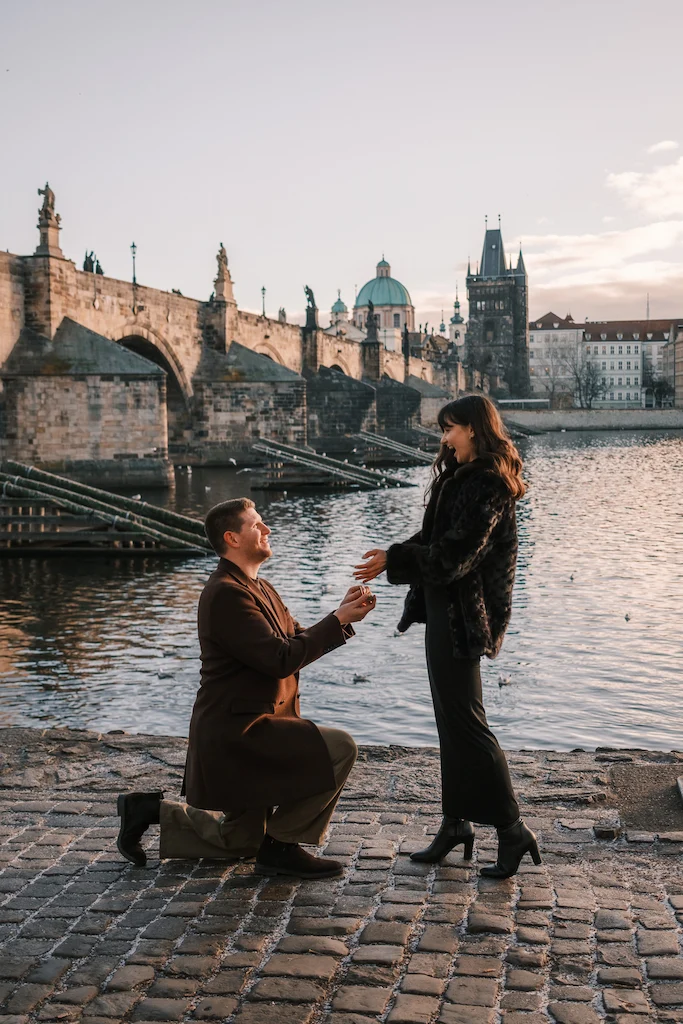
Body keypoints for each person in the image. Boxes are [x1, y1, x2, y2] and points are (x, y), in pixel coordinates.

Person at [117, 497, 375, 878]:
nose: (267, 529)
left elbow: (295, 640)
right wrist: (337, 619)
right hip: (239, 735)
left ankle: (146, 811)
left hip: (254, 727)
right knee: (339, 748)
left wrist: (342, 615)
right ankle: (281, 847)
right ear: (232, 538)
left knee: (241, 840)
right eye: (257, 525)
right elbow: (280, 658)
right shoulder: (226, 594)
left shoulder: (260, 587)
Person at [354, 395, 540, 879]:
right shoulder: (459, 477)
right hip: (444, 610)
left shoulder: (488, 485)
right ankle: (456, 823)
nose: (444, 438)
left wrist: (397, 560)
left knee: (468, 724)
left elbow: (455, 558)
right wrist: (391, 556)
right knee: (449, 722)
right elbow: (434, 541)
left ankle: (513, 830)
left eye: (449, 428)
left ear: (473, 429)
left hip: (465, 617)